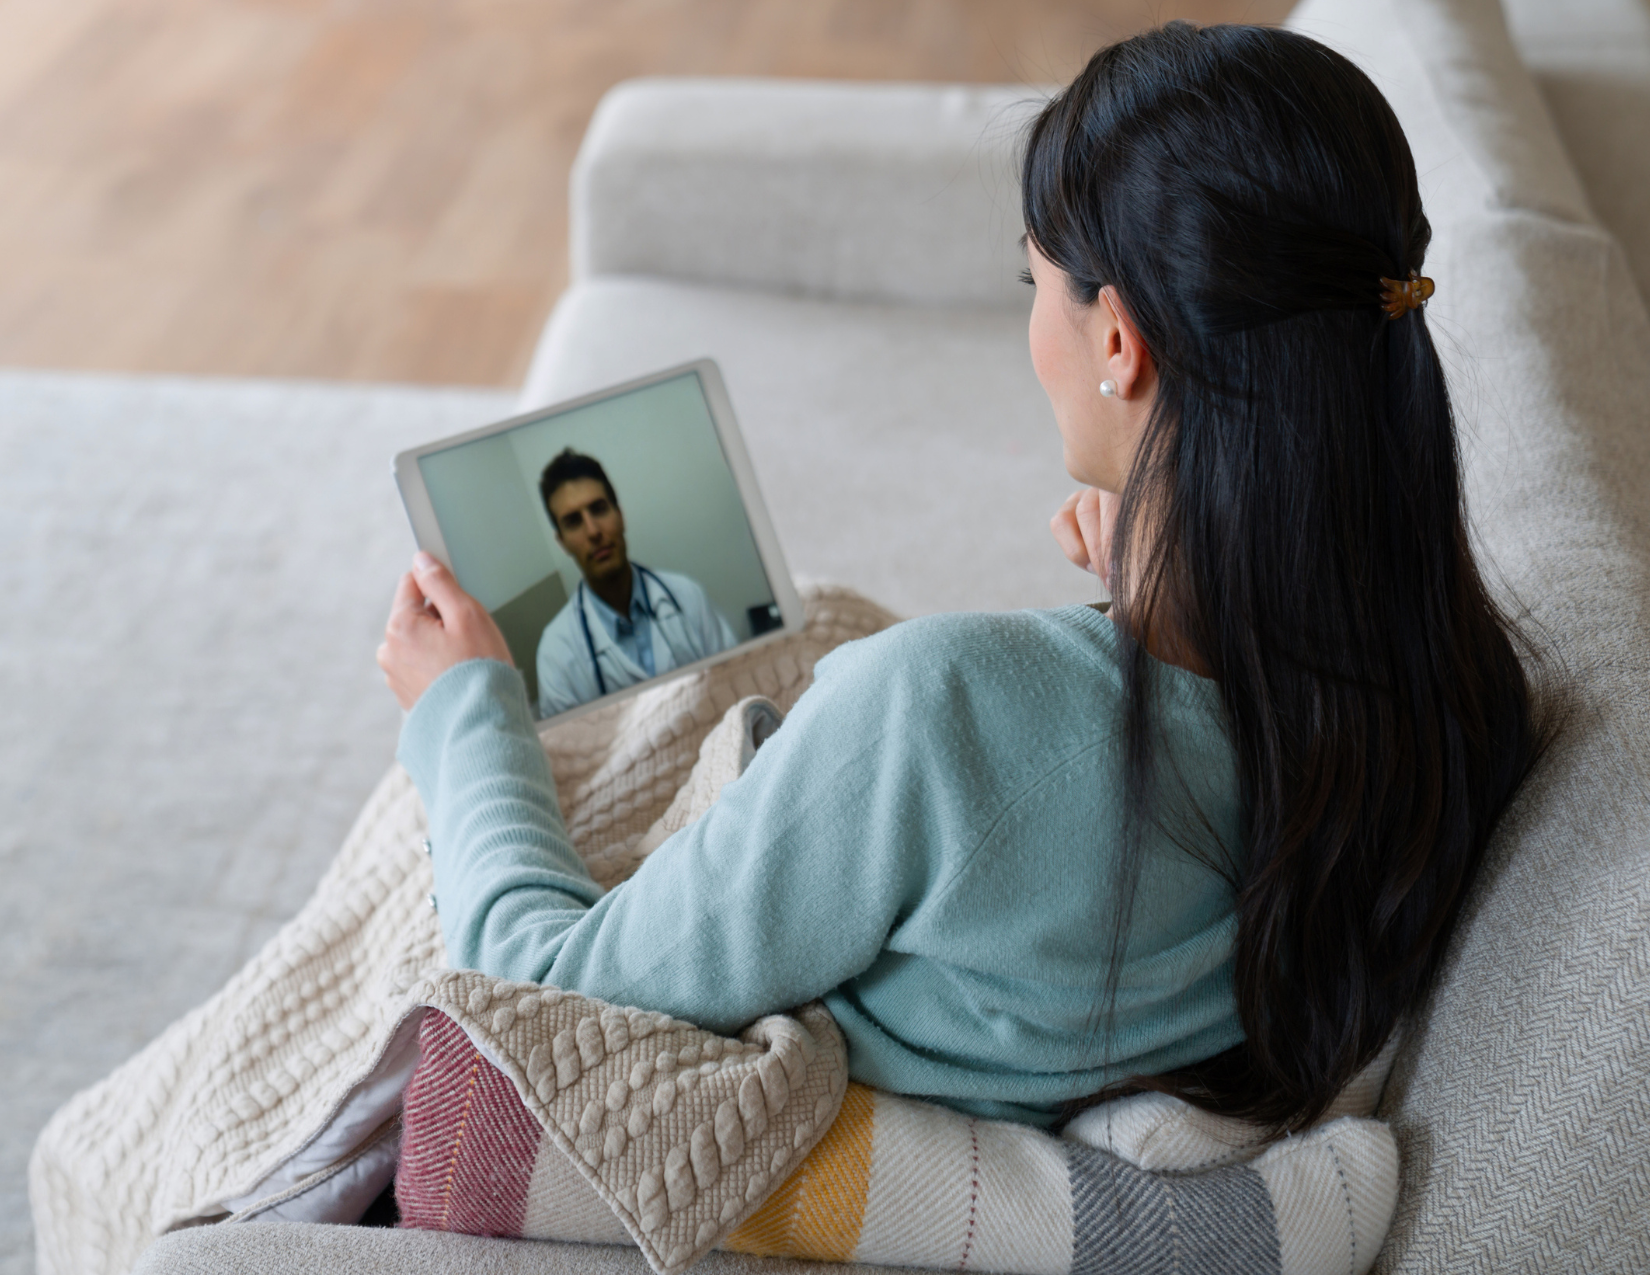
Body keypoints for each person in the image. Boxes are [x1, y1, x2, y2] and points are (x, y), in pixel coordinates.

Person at [377, 22, 1544, 1132]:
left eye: (1033, 284)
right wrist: (1162, 595)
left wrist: (462, 713)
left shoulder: (940, 712)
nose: (1033, 322)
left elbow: (541, 994)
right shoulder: (1454, 699)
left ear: (1120, 342)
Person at [532, 448, 737, 718]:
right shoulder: (556, 653)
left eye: (599, 509)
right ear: (562, 543)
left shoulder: (687, 596)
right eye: (573, 522)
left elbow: (739, 681)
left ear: (620, 515)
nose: (593, 531)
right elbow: (574, 755)